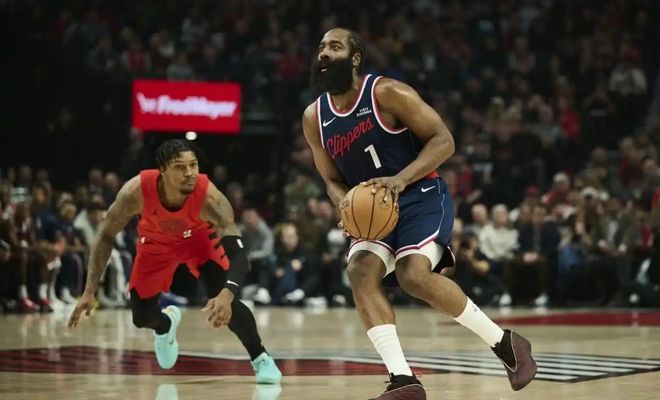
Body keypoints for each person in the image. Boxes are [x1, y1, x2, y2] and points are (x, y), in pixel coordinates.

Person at [302, 28, 536, 399]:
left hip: (419, 195)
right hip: (373, 208)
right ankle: (403, 380)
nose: (325, 54)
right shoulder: (314, 117)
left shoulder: (387, 93)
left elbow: (444, 140)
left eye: (335, 47)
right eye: (321, 48)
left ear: (355, 57)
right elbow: (330, 178)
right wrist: (344, 203)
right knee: (359, 270)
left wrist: (400, 179)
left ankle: (506, 343)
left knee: (412, 274)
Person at [67, 140, 281, 384]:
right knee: (141, 318)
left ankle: (261, 358)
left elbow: (239, 255)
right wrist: (89, 290)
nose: (189, 173)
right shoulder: (134, 192)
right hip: (155, 244)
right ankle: (165, 326)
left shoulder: (210, 198)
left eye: (193, 165)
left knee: (226, 300)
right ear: (163, 170)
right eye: (180, 167)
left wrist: (227, 293)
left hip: (199, 240)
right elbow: (105, 236)